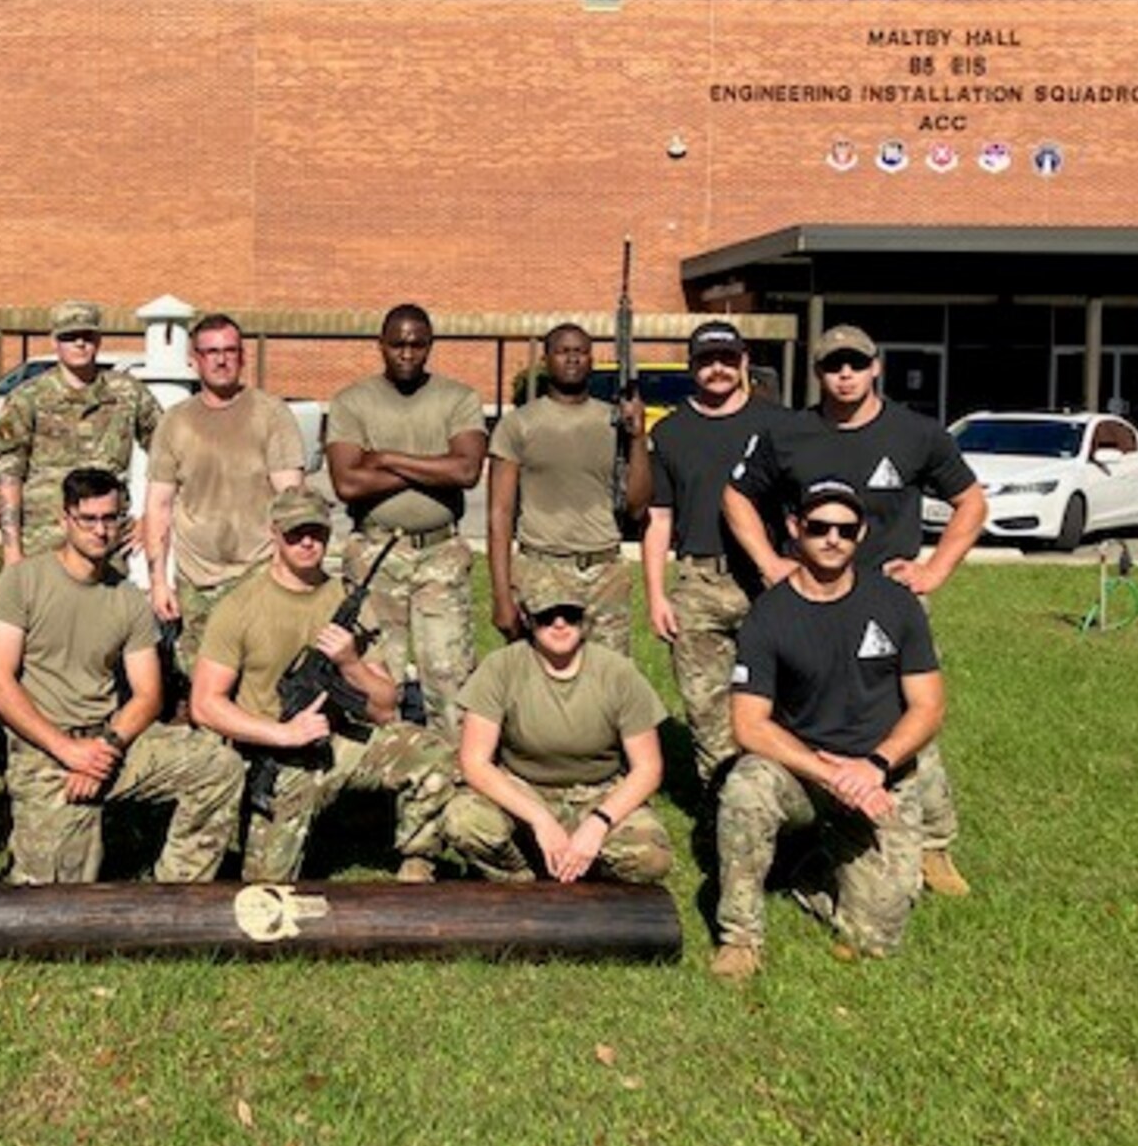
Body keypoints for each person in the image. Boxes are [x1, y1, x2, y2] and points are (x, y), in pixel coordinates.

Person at [722, 323, 986, 897]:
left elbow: (971, 502)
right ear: (817, 372)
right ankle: (807, 827)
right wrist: (769, 562)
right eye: (832, 365)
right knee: (803, 716)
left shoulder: (916, 433)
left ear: (876, 367)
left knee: (909, 722)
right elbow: (736, 495)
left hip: (888, 605)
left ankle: (933, 843)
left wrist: (935, 570)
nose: (845, 375)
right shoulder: (788, 433)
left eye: (856, 363)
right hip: (811, 599)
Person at [711, 480, 944, 980]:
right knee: (747, 787)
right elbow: (748, 725)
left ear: (861, 534)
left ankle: (811, 871)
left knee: (875, 937)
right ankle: (740, 937)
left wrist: (874, 765)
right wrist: (830, 773)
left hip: (878, 777)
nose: (832, 538)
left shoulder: (896, 604)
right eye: (818, 527)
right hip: (804, 773)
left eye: (845, 529)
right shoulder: (769, 615)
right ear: (795, 529)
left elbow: (928, 707)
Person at [190, 487, 478, 883]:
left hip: (337, 744)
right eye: (295, 533)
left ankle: (417, 861)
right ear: (274, 534)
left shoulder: (347, 598)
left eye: (317, 532)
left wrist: (350, 664)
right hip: (272, 754)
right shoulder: (239, 606)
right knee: (267, 885)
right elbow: (205, 704)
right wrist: (282, 734)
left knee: (434, 754)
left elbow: (385, 707)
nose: (308, 542)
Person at [0, 467, 243, 884]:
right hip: (44, 750)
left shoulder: (127, 597)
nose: (101, 531)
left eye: (111, 518)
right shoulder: (21, 582)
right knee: (54, 900)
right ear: (65, 519)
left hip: (109, 741)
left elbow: (148, 695)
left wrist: (105, 748)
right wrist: (68, 751)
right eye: (88, 519)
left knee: (218, 766)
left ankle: (178, 893)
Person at [324, 304, 488, 741]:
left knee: (449, 678)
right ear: (380, 345)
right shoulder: (352, 402)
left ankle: (452, 769)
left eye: (417, 345)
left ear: (430, 345)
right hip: (375, 554)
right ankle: (378, 768)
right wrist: (434, 467)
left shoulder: (458, 398)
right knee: (377, 677)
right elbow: (347, 483)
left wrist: (385, 458)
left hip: (440, 553)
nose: (407, 353)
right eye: (397, 344)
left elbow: (466, 470)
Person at [641, 321, 793, 788]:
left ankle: (780, 798)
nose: (718, 369)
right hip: (699, 583)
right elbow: (658, 519)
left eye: (728, 359)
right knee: (706, 710)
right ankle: (721, 800)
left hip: (767, 581)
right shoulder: (670, 432)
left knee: (780, 701)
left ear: (744, 362)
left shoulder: (779, 423)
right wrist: (656, 595)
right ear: (692, 367)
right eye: (707, 361)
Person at [454, 589, 673, 885]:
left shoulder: (619, 673)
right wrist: (540, 819)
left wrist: (599, 822)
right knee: (464, 820)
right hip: (523, 789)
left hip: (598, 793)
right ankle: (521, 878)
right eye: (547, 617)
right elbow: (474, 762)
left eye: (570, 615)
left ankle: (584, 874)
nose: (559, 624)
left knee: (651, 857)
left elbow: (648, 768)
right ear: (529, 620)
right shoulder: (500, 668)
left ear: (584, 620)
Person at [143, 313, 306, 684]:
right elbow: (159, 505)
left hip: (259, 572)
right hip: (196, 580)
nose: (221, 360)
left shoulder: (271, 414)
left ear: (243, 357)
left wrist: (287, 571)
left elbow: (292, 502)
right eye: (211, 352)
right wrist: (159, 582)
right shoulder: (175, 422)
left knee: (262, 679)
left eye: (230, 351)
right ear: (194, 360)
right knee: (200, 682)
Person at [487, 323, 649, 657]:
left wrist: (637, 437)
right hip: (543, 569)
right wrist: (502, 595)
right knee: (543, 673)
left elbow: (638, 505)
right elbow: (499, 513)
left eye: (581, 352)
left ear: (592, 360)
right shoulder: (518, 424)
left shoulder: (614, 421)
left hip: (605, 571)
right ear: (546, 360)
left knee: (608, 676)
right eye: (563, 352)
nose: (572, 359)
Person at [0, 301, 162, 564]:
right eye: (70, 337)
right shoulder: (28, 398)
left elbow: (169, 455)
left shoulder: (127, 394)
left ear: (99, 339)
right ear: (54, 341)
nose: (80, 343)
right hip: (44, 544)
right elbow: (9, 474)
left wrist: (152, 518)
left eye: (87, 336)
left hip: (106, 542)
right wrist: (11, 550)